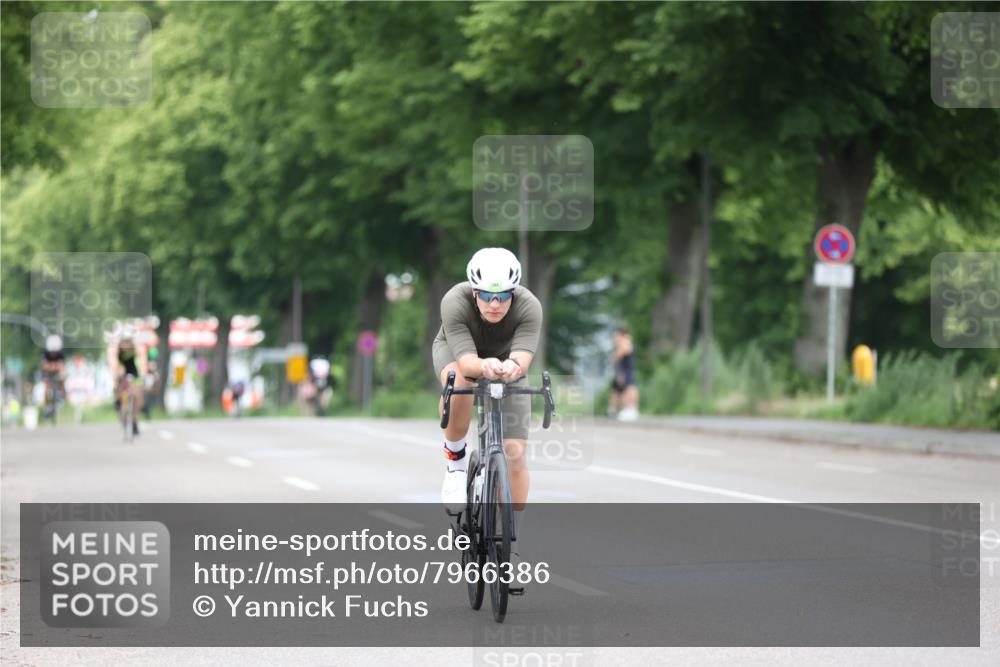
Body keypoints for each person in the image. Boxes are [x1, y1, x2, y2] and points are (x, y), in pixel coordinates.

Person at [433, 247, 541, 567]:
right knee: (461, 380)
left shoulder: (529, 306)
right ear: (474, 291)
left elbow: (522, 358)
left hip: (506, 363)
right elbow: (467, 362)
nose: (495, 304)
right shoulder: (455, 301)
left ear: (514, 292)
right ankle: (455, 461)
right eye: (486, 297)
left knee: (516, 453)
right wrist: (484, 365)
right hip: (459, 355)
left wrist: (512, 368)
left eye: (504, 297)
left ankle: (513, 546)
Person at [108, 329, 147, 435]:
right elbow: (113, 363)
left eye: (129, 341)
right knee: (118, 385)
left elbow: (143, 361)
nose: (127, 344)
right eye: (125, 341)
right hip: (121, 369)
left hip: (133, 371)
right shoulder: (115, 349)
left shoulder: (137, 347)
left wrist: (143, 376)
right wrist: (115, 376)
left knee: (138, 393)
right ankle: (118, 402)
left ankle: (134, 420)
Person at [609, 325, 640, 421]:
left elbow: (619, 356)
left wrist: (614, 356)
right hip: (622, 370)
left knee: (629, 389)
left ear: (621, 335)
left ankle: (631, 409)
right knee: (617, 391)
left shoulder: (625, 342)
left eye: (616, 336)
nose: (614, 338)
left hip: (626, 370)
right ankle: (617, 410)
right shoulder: (624, 342)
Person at [40, 335, 67, 413]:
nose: (53, 353)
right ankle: (46, 406)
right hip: (47, 371)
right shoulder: (44, 352)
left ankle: (62, 396)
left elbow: (62, 365)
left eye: (55, 352)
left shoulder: (61, 352)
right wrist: (53, 366)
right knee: (46, 385)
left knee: (62, 378)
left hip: (57, 371)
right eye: (52, 352)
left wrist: (57, 368)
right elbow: (44, 365)